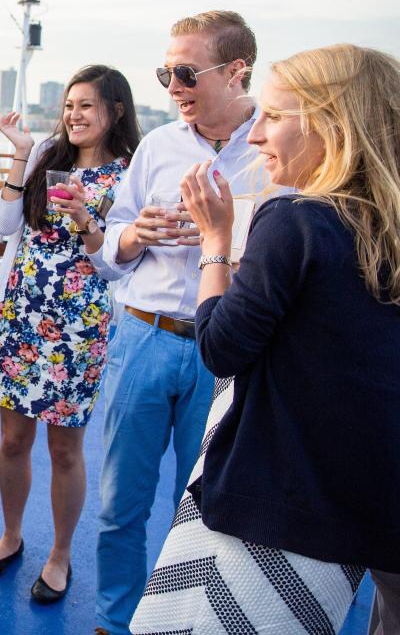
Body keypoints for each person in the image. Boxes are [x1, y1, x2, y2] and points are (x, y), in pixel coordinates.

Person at [130, 44, 400, 632]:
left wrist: (215, 242)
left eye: (274, 117)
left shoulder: (296, 221)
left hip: (286, 504)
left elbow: (222, 346)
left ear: (333, 124)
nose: (257, 138)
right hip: (373, 497)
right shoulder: (383, 228)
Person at [95, 11, 276, 635]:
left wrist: (223, 237)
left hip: (221, 348)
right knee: (121, 503)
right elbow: (109, 242)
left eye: (183, 72)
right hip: (143, 335)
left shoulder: (272, 148)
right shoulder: (159, 145)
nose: (171, 86)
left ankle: (176, 623)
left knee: (199, 504)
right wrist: (131, 237)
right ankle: (114, 621)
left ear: (235, 71)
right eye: (164, 72)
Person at [0, 66, 140, 601]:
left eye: (87, 106)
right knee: (12, 439)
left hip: (78, 328)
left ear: (115, 111)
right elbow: (3, 226)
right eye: (69, 105)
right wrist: (22, 150)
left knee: (65, 450)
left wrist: (86, 220)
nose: (74, 115)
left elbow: (116, 264)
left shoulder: (128, 176)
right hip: (22, 315)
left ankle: (61, 554)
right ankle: (11, 535)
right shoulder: (50, 159)